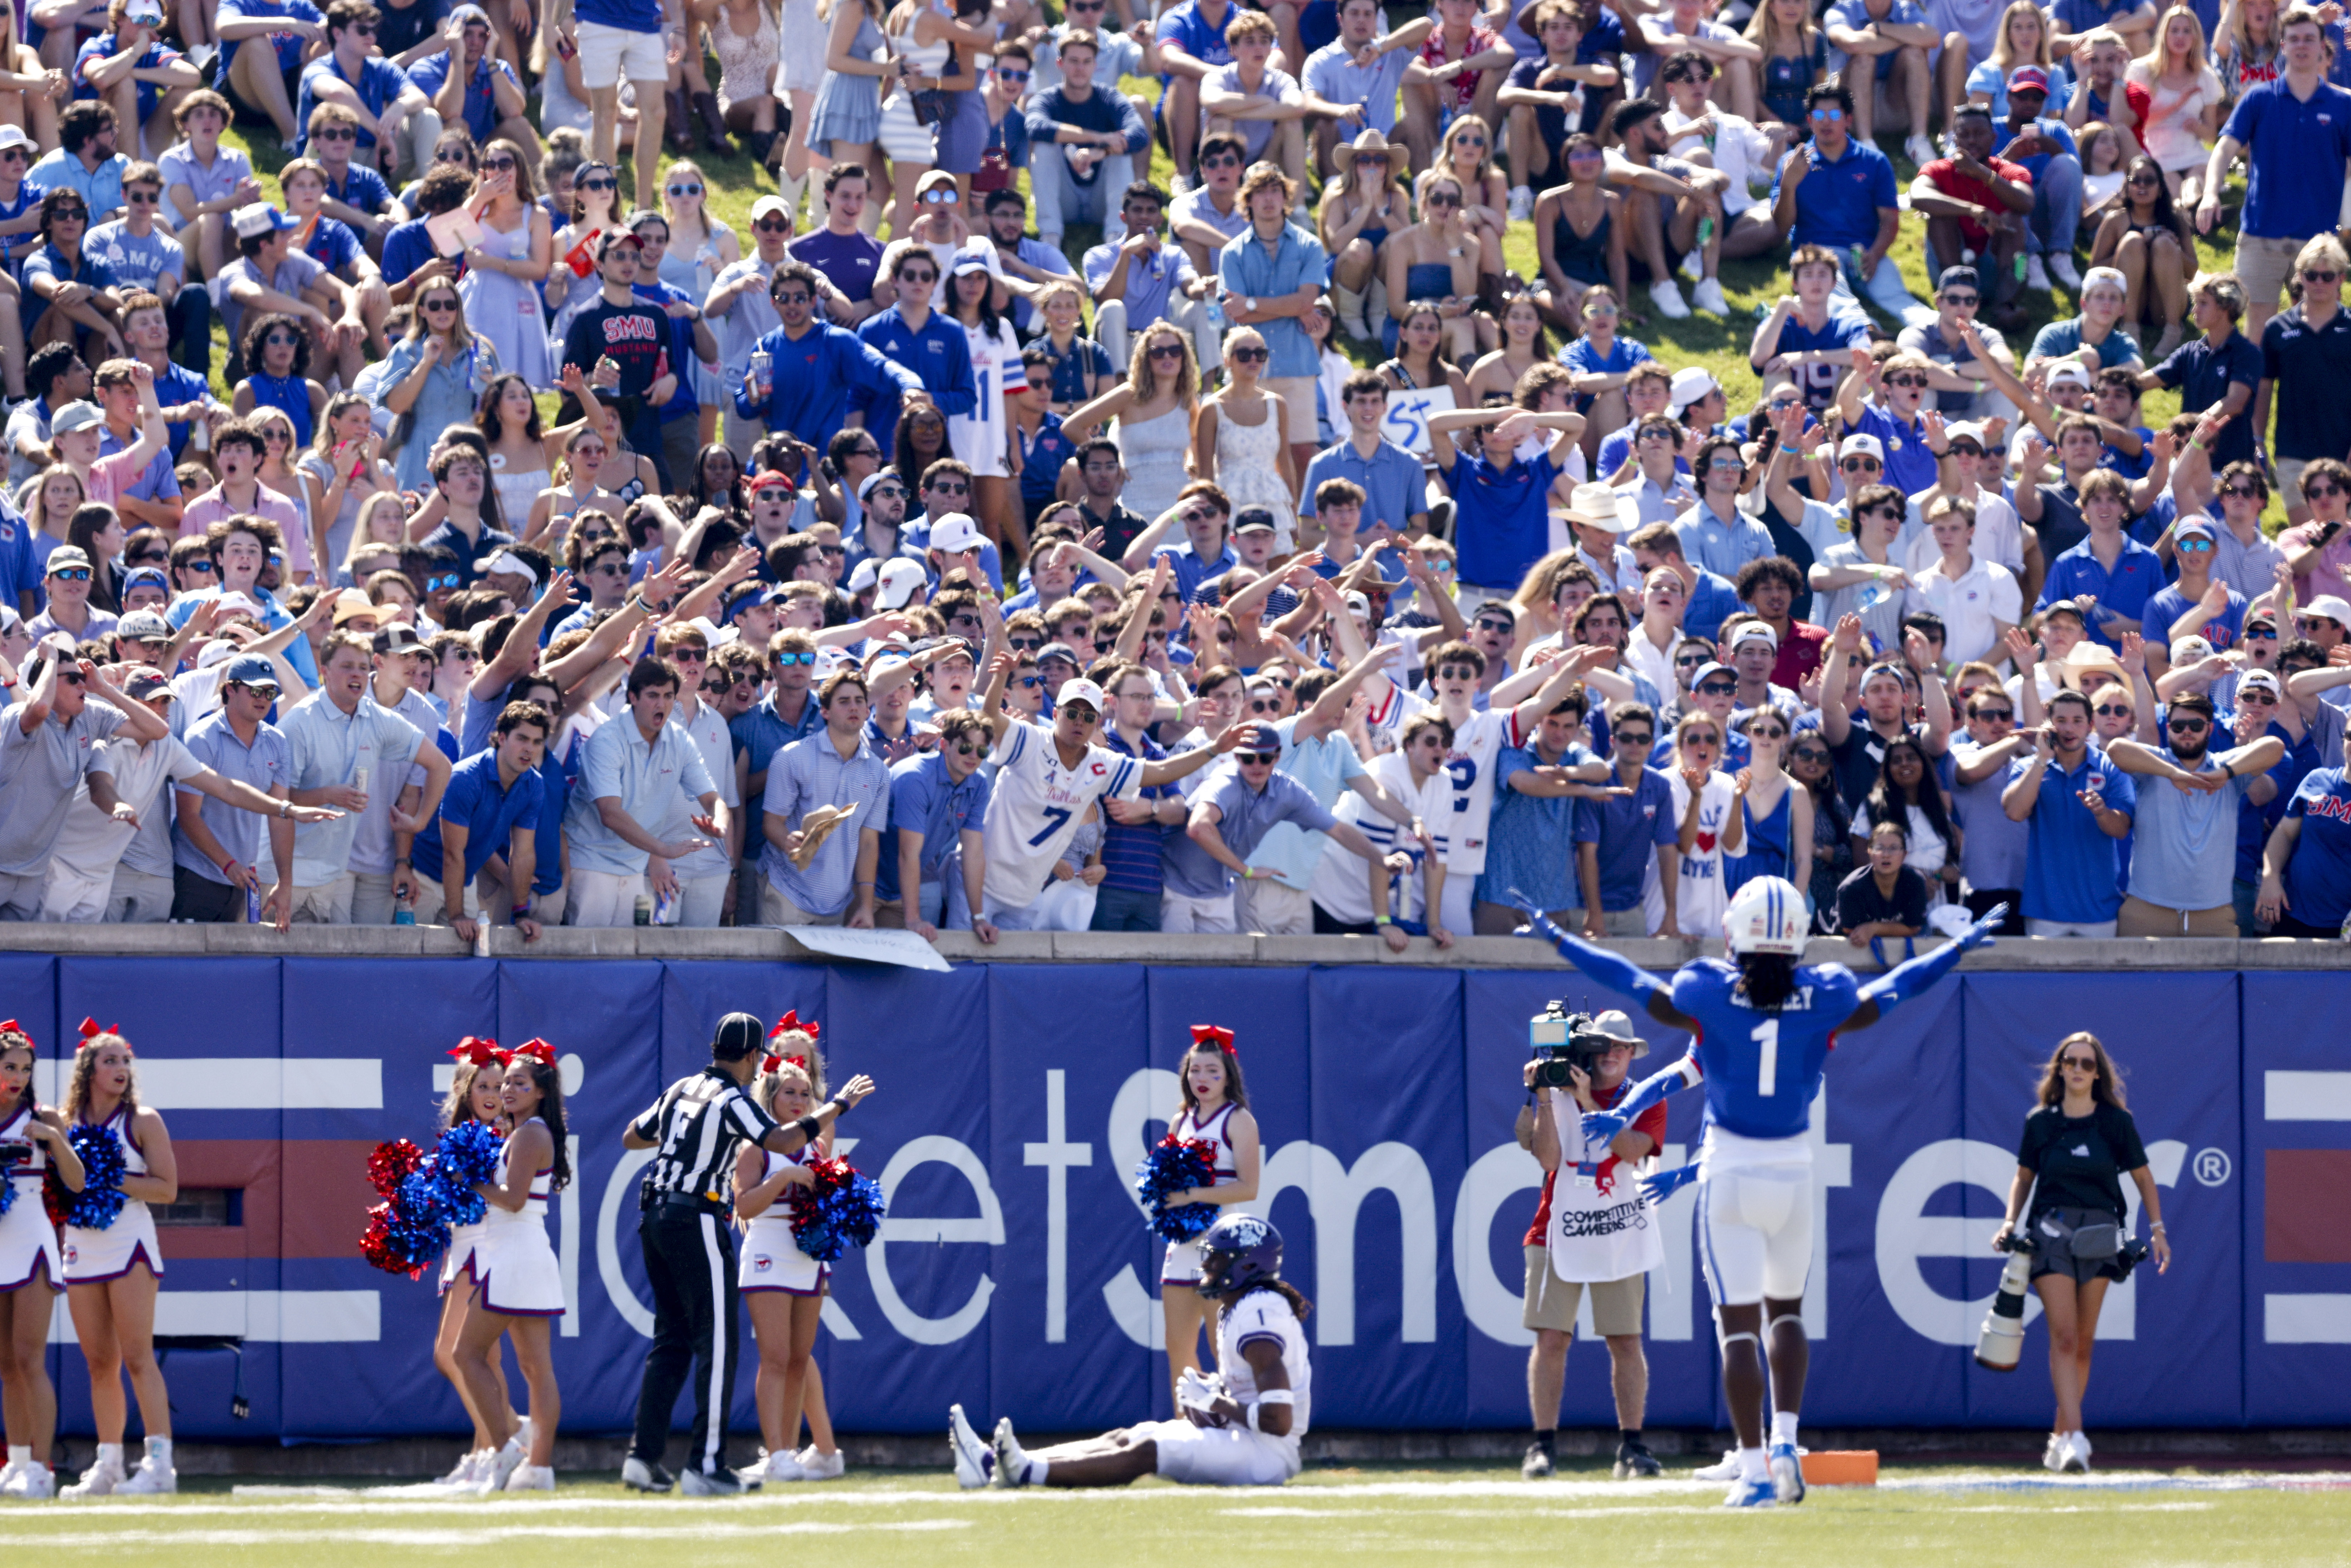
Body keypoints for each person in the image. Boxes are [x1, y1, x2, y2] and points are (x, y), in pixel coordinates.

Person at [1519, 877, 2002, 1506]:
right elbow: (1896, 987)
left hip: (1732, 1171)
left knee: (1738, 1328)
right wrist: (1955, 949)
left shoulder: (1709, 993)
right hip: (1793, 1171)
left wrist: (1559, 940)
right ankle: (1783, 1439)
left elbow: (1630, 981)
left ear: (1733, 935)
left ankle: (1751, 1469)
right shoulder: (1825, 995)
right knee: (1787, 1314)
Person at [621, 1011, 875, 1497]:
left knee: (670, 1338)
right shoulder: (733, 1098)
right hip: (695, 1214)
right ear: (756, 1058)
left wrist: (687, 1134)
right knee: (717, 1341)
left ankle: (643, 1456)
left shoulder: (681, 1088)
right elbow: (780, 1140)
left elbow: (633, 1135)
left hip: (652, 1213)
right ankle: (707, 1463)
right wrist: (838, 1103)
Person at [950, 1211, 1311, 1490]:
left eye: (1216, 1258)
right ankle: (998, 1463)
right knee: (1130, 1435)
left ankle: (1028, 1472)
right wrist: (1214, 1390)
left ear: (1245, 1265)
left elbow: (1278, 1420)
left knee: (1150, 1451)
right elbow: (1250, 1392)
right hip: (1247, 1437)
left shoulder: (1258, 1313)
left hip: (1267, 1454)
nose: (1206, 1266)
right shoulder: (1243, 1306)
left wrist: (1215, 1402)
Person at [1990, 1032, 2170, 1475]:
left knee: (2084, 1341)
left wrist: (2158, 1229)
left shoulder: (2115, 1122)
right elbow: (2023, 1177)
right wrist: (2009, 1221)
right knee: (2064, 1336)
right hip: (2049, 1230)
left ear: (2097, 1073)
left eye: (2087, 1064)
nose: (2077, 1069)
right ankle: (2076, 1437)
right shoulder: (2040, 1122)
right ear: (2059, 1068)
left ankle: (2059, 1437)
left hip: (2099, 1232)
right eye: (2069, 1061)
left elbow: (2144, 1179)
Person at [1516, 1008, 1667, 1482]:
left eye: (1621, 1047)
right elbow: (1546, 1157)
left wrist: (1588, 1103)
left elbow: (1632, 1149)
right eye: (1603, 1046)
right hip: (1558, 1225)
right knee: (1551, 1336)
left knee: (1625, 1339)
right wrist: (1541, 1093)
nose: (1611, 1055)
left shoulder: (1646, 1097)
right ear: (1589, 1049)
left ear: (1631, 1054)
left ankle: (1632, 1446)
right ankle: (1542, 1446)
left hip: (1619, 1227)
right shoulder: (1554, 1094)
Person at [58, 1025, 179, 1497]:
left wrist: (110, 1178)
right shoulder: (67, 1122)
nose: (121, 1069)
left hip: (129, 1242)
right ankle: (108, 1464)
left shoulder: (144, 1120)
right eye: (110, 1060)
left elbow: (167, 1188)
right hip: (81, 1245)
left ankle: (159, 1465)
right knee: (98, 1362)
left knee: (136, 1356)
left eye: (125, 1060)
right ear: (89, 1070)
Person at [446, 1043, 568, 1494]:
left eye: (519, 1082)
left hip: (515, 1252)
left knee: (465, 1354)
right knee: (536, 1368)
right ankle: (538, 1469)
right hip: (524, 1252)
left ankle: (505, 1445)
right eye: (505, 1082)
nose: (508, 1089)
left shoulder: (531, 1133)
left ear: (540, 1092)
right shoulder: (523, 1132)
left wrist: (469, 1180)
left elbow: (513, 1199)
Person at [2195, 4, 2351, 339]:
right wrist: (2210, 194)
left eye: (2309, 39)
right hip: (2260, 236)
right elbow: (2224, 148)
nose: (2301, 46)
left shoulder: (2344, 104)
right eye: (2293, 39)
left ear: (2322, 47)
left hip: (2318, 242)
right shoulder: (2258, 98)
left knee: (2317, 339)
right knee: (2256, 340)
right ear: (2283, 46)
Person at [728, 1042, 841, 1486]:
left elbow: (827, 1200)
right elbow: (745, 1205)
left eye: (804, 1092)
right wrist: (784, 1177)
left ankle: (789, 1452)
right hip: (767, 1253)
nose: (798, 1100)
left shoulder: (815, 1147)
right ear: (770, 1097)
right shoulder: (755, 1147)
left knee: (798, 1358)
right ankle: (775, 1451)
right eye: (789, 1092)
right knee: (774, 1358)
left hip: (806, 1257)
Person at [1151, 1029, 1263, 1407]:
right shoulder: (1179, 1121)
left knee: (1223, 1347)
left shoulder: (1239, 1120)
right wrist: (1165, 1197)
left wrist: (1196, 1194)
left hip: (1222, 1243)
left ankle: (1236, 1433)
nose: (1202, 1079)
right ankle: (1188, 1433)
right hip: (1181, 1245)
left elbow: (1249, 1187)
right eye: (1194, 1070)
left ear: (1228, 1075)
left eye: (1212, 1071)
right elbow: (1165, 1180)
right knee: (1177, 1347)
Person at [1768, 78, 1932, 328]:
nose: (1826, 121)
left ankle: (1945, 330)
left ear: (1848, 120)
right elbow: (1781, 226)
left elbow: (1890, 219)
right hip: (1815, 254)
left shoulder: (1874, 161)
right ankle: (1865, 330)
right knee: (1831, 298)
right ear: (1809, 121)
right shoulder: (1792, 163)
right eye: (1818, 114)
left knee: (1899, 300)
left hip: (1864, 251)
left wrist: (1876, 254)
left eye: (1834, 114)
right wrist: (1788, 185)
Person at [0, 1025, 85, 1501]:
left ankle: (41, 1465)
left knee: (30, 1357)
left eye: (25, 1068)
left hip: (31, 1236)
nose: (18, 1076)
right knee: (6, 1363)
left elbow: (76, 1180)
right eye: (9, 1066)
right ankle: (14, 1461)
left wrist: (53, 1137)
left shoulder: (42, 1115)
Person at [2000, 687, 2134, 934]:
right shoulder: (2028, 766)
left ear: (2090, 725)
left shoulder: (2110, 767)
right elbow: (2014, 812)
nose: (2069, 729)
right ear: (2049, 725)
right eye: (2061, 721)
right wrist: (2042, 759)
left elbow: (2121, 829)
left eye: (2077, 721)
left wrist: (2102, 812)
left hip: (2100, 910)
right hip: (2044, 910)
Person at [1024, 30, 1150, 250]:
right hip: (1065, 198)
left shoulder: (1109, 97)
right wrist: (1098, 138)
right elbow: (1035, 127)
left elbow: (1139, 134)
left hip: (1104, 196)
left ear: (1095, 65)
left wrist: (1102, 151)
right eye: (1073, 61)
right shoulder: (1047, 98)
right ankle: (1050, 236)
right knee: (1044, 146)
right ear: (1060, 64)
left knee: (1119, 152)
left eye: (1086, 62)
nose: (1080, 68)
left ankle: (1116, 237)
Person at [2254, 756, 2351, 936]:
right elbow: (2284, 834)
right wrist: (2271, 878)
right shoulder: (2317, 780)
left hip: (2343, 928)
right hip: (2293, 915)